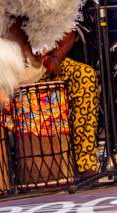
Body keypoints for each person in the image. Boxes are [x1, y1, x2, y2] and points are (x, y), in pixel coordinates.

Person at [42, 29, 100, 177]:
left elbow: (68, 28)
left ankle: (85, 163)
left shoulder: (54, 5)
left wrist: (56, 57)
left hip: (45, 63)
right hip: (11, 64)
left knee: (84, 75)